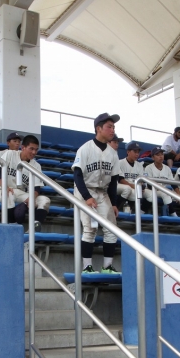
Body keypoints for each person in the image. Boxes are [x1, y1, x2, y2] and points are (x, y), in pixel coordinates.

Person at [72, 112, 121, 274]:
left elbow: (113, 181)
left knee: (111, 229)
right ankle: (87, 267)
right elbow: (77, 175)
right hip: (85, 190)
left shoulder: (113, 153)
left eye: (113, 127)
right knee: (90, 228)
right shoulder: (85, 149)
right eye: (109, 127)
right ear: (98, 128)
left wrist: (114, 203)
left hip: (103, 193)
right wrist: (87, 197)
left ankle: (107, 266)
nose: (112, 130)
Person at [0, 134, 50, 231]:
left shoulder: (36, 165)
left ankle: (34, 227)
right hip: (3, 190)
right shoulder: (10, 154)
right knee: (8, 195)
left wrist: (32, 197)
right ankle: (12, 227)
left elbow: (36, 187)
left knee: (44, 200)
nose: (34, 152)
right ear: (23, 147)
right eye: (31, 149)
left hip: (21, 193)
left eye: (36, 150)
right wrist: (5, 186)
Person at [144, 147, 180, 216]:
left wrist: (178, 194)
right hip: (151, 190)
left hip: (163, 190)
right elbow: (148, 185)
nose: (161, 156)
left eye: (162, 154)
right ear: (153, 157)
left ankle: (173, 216)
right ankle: (174, 215)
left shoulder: (167, 168)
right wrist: (161, 189)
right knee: (165, 193)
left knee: (167, 193)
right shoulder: (148, 168)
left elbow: (173, 183)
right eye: (158, 155)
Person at [116, 141, 149, 213]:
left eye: (138, 152)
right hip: (122, 185)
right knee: (130, 190)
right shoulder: (120, 162)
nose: (137, 154)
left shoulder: (139, 165)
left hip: (135, 186)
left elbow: (141, 180)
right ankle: (116, 208)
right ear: (128, 152)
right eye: (135, 152)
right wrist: (134, 186)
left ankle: (140, 213)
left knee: (149, 194)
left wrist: (140, 187)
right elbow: (121, 180)